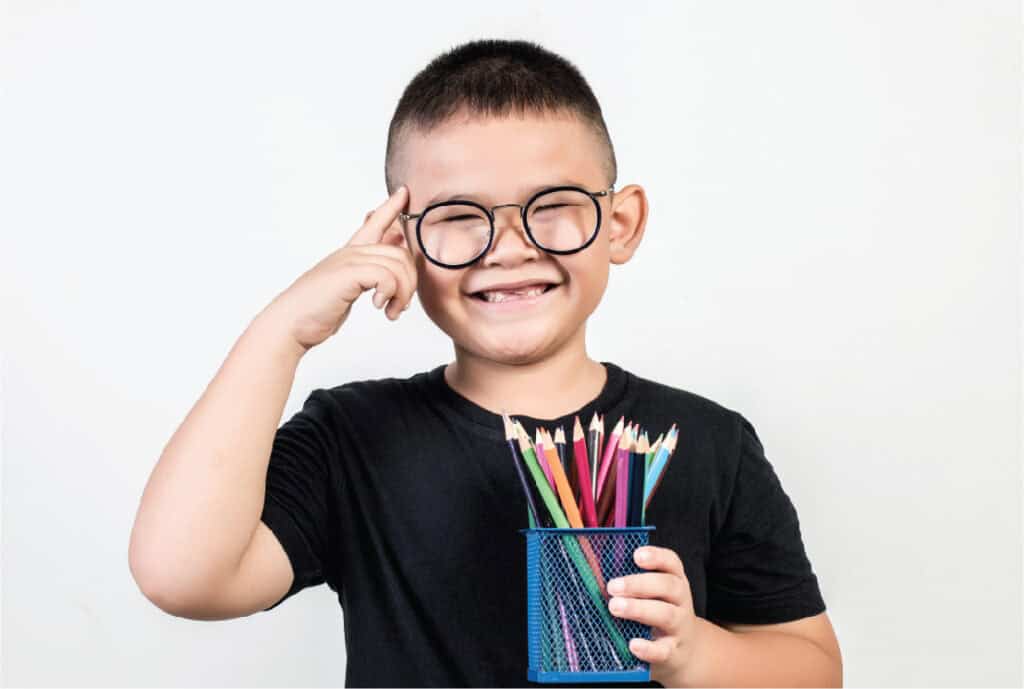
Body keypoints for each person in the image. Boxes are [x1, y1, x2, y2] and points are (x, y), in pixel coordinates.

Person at [129, 38, 842, 687]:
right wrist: (282, 330)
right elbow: (179, 574)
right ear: (401, 242)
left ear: (619, 224)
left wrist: (694, 652)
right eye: (458, 215)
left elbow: (812, 667)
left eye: (553, 204)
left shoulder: (709, 440)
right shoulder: (352, 436)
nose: (507, 247)